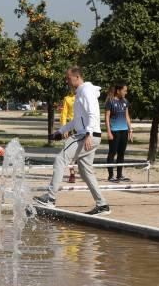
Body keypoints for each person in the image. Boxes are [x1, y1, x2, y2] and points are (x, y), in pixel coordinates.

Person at [33, 66, 110, 215]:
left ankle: (50, 198)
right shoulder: (80, 92)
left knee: (60, 159)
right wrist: (60, 132)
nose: (67, 81)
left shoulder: (86, 90)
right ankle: (102, 205)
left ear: (77, 77)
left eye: (68, 78)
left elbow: (93, 112)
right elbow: (76, 120)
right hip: (91, 135)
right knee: (86, 171)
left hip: (86, 136)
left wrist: (88, 133)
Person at [105, 83, 132, 183]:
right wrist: (109, 131)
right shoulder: (110, 101)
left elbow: (127, 116)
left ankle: (119, 175)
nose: (126, 92)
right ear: (118, 91)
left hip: (124, 131)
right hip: (114, 131)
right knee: (112, 153)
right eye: (124, 90)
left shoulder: (125, 101)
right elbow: (107, 117)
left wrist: (130, 129)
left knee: (121, 153)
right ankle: (111, 176)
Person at [60, 90, 77, 184]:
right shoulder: (67, 99)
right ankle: (72, 174)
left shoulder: (84, 97)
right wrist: (64, 128)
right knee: (70, 152)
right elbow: (64, 114)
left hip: (83, 128)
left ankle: (84, 172)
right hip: (71, 128)